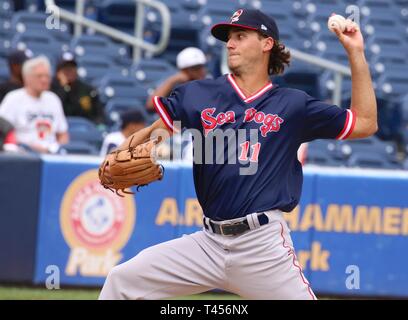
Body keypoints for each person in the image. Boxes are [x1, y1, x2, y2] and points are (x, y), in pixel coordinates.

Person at [98, 9, 377, 299]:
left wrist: (356, 53)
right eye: (229, 38)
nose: (230, 43)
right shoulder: (198, 95)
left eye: (241, 36)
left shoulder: (293, 105)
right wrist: (121, 153)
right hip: (207, 244)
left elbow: (365, 123)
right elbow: (153, 135)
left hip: (263, 247)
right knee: (122, 282)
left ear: (267, 43)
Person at [0, 56, 69, 154]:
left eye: (47, 76)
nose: (44, 80)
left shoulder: (53, 99)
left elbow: (63, 134)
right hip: (22, 154)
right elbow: (3, 131)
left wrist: (59, 149)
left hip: (51, 154)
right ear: (27, 78)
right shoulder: (13, 98)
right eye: (40, 76)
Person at [145, 47, 207, 112]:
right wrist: (173, 80)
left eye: (202, 67)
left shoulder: (208, 85)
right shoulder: (174, 85)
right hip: (177, 121)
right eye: (196, 68)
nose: (202, 71)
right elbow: (151, 105)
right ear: (184, 70)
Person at [50, 52, 104, 124]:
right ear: (58, 72)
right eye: (65, 68)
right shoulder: (50, 88)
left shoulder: (87, 89)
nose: (69, 71)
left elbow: (97, 114)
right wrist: (64, 88)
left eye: (72, 67)